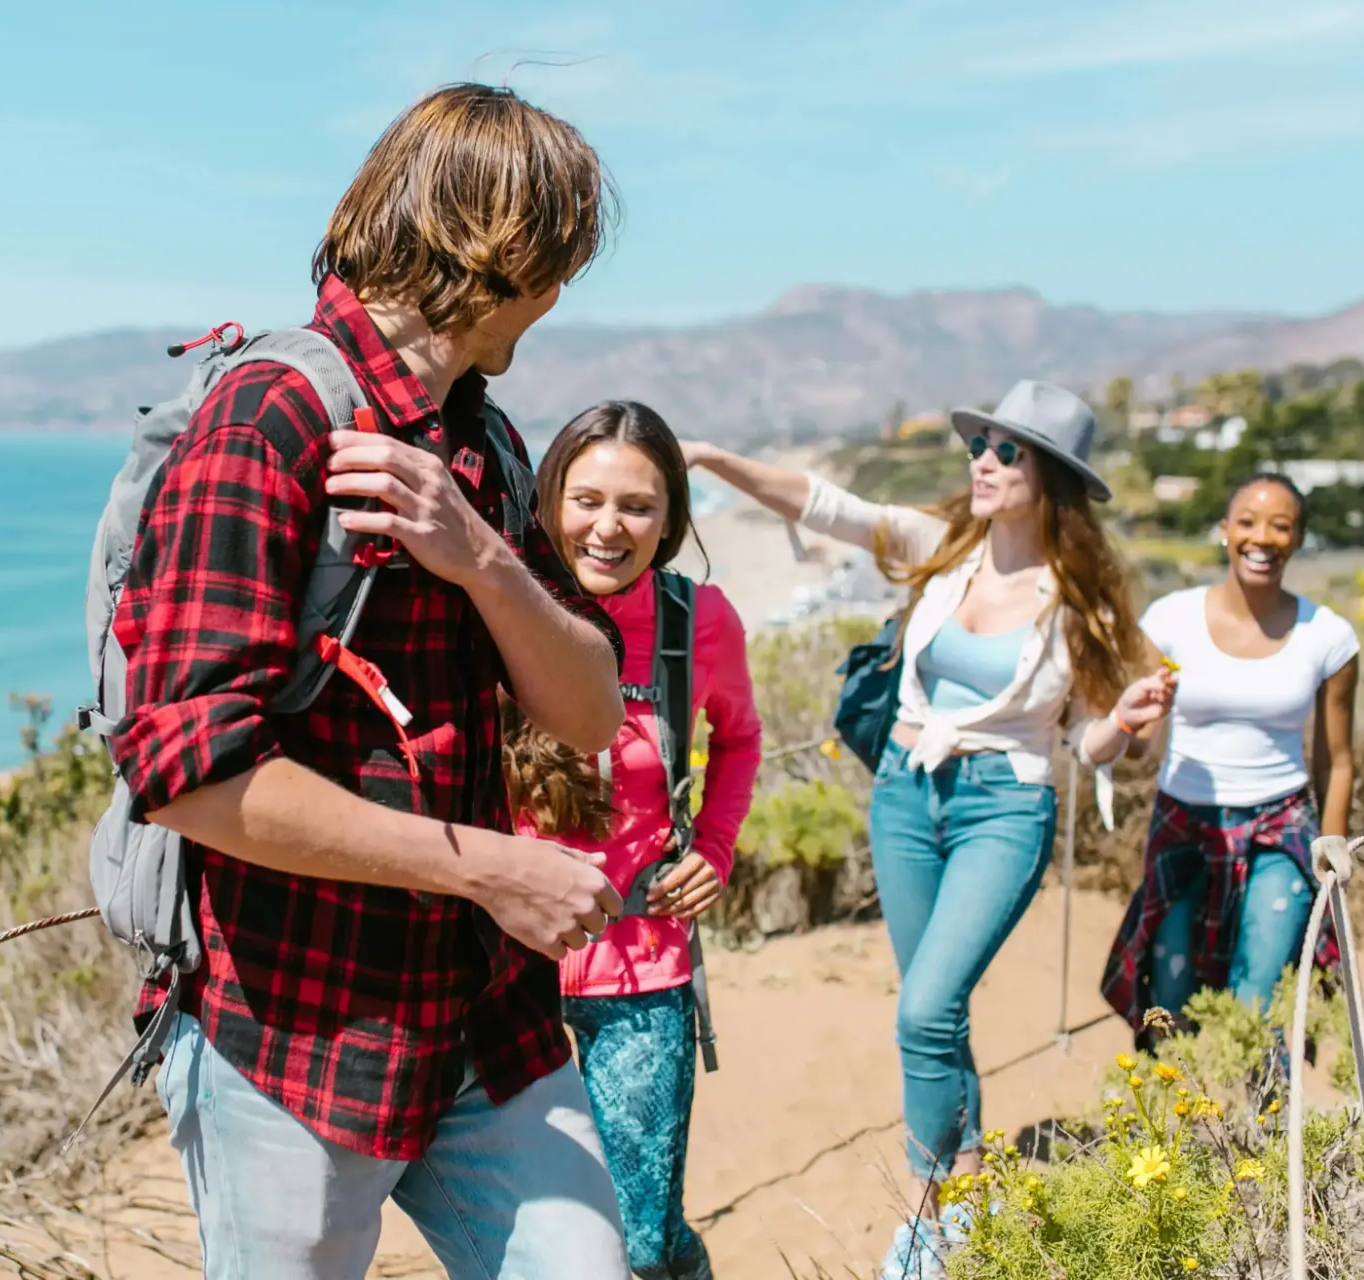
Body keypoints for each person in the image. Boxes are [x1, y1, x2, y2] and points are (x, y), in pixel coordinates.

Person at [107, 83, 638, 1279]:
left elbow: (591, 707)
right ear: (508, 254)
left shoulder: (479, 440)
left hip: (485, 1022)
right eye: (559, 269)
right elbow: (188, 775)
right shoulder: (272, 415)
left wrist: (483, 556)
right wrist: (494, 867)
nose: (558, 303)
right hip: (295, 1035)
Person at [682, 379, 1175, 1280]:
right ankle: (975, 1185)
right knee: (936, 1015)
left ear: (1052, 477)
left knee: (924, 1009)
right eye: (979, 444)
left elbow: (1089, 743)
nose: (981, 461)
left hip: (1004, 806)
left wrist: (1129, 718)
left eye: (1005, 449)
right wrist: (713, 460)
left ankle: (925, 1210)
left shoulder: (1081, 603)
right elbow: (826, 505)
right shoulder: (946, 550)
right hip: (906, 797)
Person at [504, 401, 762, 1280]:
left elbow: (739, 737)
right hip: (509, 971)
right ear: (547, 502)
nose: (608, 527)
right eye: (586, 500)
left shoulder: (700, 623)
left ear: (671, 520)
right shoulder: (500, 605)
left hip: (642, 971)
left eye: (638, 507)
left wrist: (716, 846)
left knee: (643, 1240)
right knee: (550, 1234)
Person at [1102, 473, 1358, 1054]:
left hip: (1282, 829)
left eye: (1280, 525)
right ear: (1224, 531)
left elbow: (1336, 760)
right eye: (1247, 522)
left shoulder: (1331, 637)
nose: (1261, 538)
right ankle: (1178, 1133)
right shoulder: (1169, 620)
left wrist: (1334, 844)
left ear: (1298, 538)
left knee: (1260, 996)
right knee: (1171, 992)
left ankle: (1266, 1139)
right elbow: (1141, 743)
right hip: (1184, 825)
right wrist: (1116, 722)